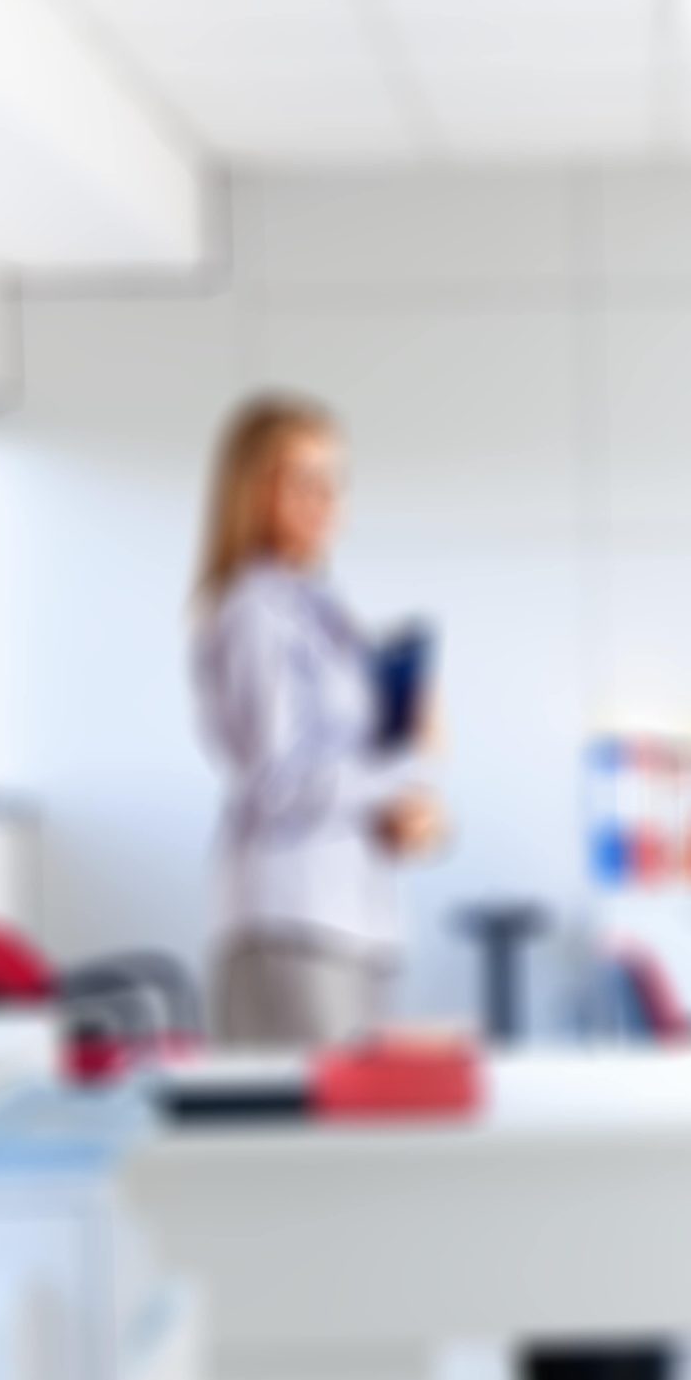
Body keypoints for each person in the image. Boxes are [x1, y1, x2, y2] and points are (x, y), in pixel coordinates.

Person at [191, 393, 444, 1045]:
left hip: (350, 915)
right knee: (304, 1140)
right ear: (255, 492)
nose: (326, 500)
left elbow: (339, 760)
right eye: (303, 481)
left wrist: (403, 799)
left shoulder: (319, 607)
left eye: (335, 480)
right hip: (293, 919)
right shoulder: (254, 610)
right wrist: (389, 785)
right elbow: (280, 781)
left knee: (356, 1136)